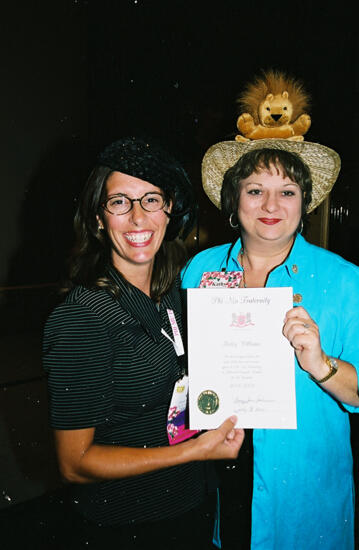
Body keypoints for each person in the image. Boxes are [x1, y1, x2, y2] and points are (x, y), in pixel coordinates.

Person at [43, 137, 244, 550]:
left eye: (151, 199)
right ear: (99, 217)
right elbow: (75, 463)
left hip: (191, 505)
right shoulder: (82, 318)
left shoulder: (173, 293)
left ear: (170, 211)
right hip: (126, 525)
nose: (138, 218)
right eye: (119, 202)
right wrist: (193, 452)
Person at [181, 138, 359, 550]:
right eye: (256, 190)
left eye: (287, 192)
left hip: (305, 491)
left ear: (305, 203)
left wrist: (320, 364)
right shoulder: (200, 270)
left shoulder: (345, 280)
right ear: (234, 199)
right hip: (221, 475)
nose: (271, 206)